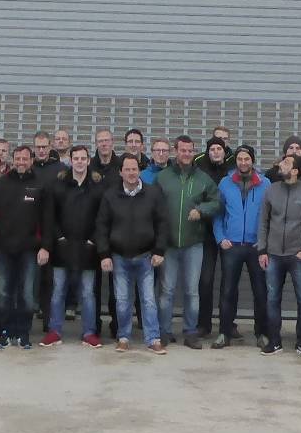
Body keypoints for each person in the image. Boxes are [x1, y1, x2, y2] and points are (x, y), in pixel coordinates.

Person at [152, 135, 220, 349]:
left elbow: (217, 202)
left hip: (194, 243)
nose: (187, 154)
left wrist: (201, 210)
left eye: (190, 150)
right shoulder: (163, 177)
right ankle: (164, 331)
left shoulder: (203, 178)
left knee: (192, 291)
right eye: (183, 150)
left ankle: (191, 332)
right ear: (175, 151)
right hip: (169, 244)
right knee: (166, 291)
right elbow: (152, 205)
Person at [98, 153, 167, 351]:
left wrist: (159, 250)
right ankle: (123, 337)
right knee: (122, 301)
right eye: (127, 169)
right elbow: (102, 226)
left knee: (149, 300)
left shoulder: (153, 193)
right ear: (120, 172)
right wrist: (104, 254)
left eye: (134, 169)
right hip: (119, 257)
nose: (131, 173)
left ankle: (153, 339)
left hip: (146, 257)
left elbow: (162, 224)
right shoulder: (110, 195)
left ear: (140, 171)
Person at [0, 144, 48, 349]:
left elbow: (47, 219)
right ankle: (5, 331)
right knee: (4, 294)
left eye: (25, 159)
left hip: (30, 249)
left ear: (31, 160)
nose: (21, 162)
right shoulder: (0, 184)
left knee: (27, 295)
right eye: (18, 158)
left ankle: (23, 332)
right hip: (3, 249)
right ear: (12, 160)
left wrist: (45, 247)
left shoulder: (40, 184)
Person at [258, 152, 301, 355]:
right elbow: (263, 222)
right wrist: (262, 249)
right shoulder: (271, 190)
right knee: (272, 298)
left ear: (294, 171)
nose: (280, 164)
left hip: (298, 256)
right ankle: (274, 341)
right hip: (273, 254)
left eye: (286, 163)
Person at [44, 145, 104, 345]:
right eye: (76, 158)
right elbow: (50, 215)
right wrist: (59, 237)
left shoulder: (97, 186)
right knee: (58, 291)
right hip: (62, 247)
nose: (79, 162)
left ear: (88, 160)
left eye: (83, 158)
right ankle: (54, 331)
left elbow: (103, 217)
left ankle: (89, 333)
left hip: (88, 248)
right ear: (70, 160)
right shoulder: (58, 185)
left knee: (87, 293)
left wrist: (93, 239)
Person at [211, 144, 269, 348]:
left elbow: (269, 215)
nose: (243, 163)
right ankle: (224, 333)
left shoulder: (265, 183)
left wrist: (264, 241)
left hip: (256, 246)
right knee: (227, 290)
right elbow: (218, 213)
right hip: (232, 245)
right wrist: (221, 238)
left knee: (260, 291)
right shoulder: (225, 183)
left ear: (252, 160)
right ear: (235, 161)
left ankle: (262, 333)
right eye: (240, 159)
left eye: (247, 159)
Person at [196, 136, 236, 340]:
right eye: (212, 149)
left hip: (229, 232)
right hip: (206, 233)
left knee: (229, 281)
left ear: (224, 150)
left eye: (219, 148)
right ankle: (204, 323)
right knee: (205, 280)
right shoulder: (200, 168)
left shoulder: (234, 168)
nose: (215, 152)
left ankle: (228, 324)